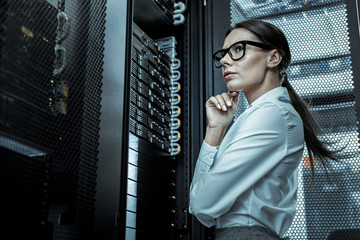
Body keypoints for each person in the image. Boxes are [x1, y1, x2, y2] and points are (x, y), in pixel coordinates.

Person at [189, 19, 337, 240]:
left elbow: (203, 205)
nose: (226, 61)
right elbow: (200, 207)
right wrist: (215, 129)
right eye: (224, 55)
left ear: (273, 57)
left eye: (238, 49)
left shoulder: (272, 114)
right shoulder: (261, 114)